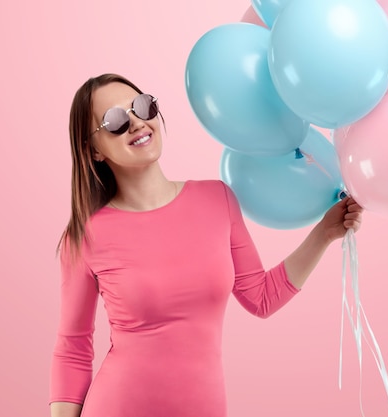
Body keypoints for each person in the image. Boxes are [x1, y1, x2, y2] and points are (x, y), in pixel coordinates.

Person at [49, 73, 363, 417]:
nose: (137, 122)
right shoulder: (85, 237)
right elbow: (73, 348)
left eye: (142, 106)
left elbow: (261, 297)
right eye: (115, 120)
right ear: (93, 150)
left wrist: (325, 232)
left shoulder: (216, 199)